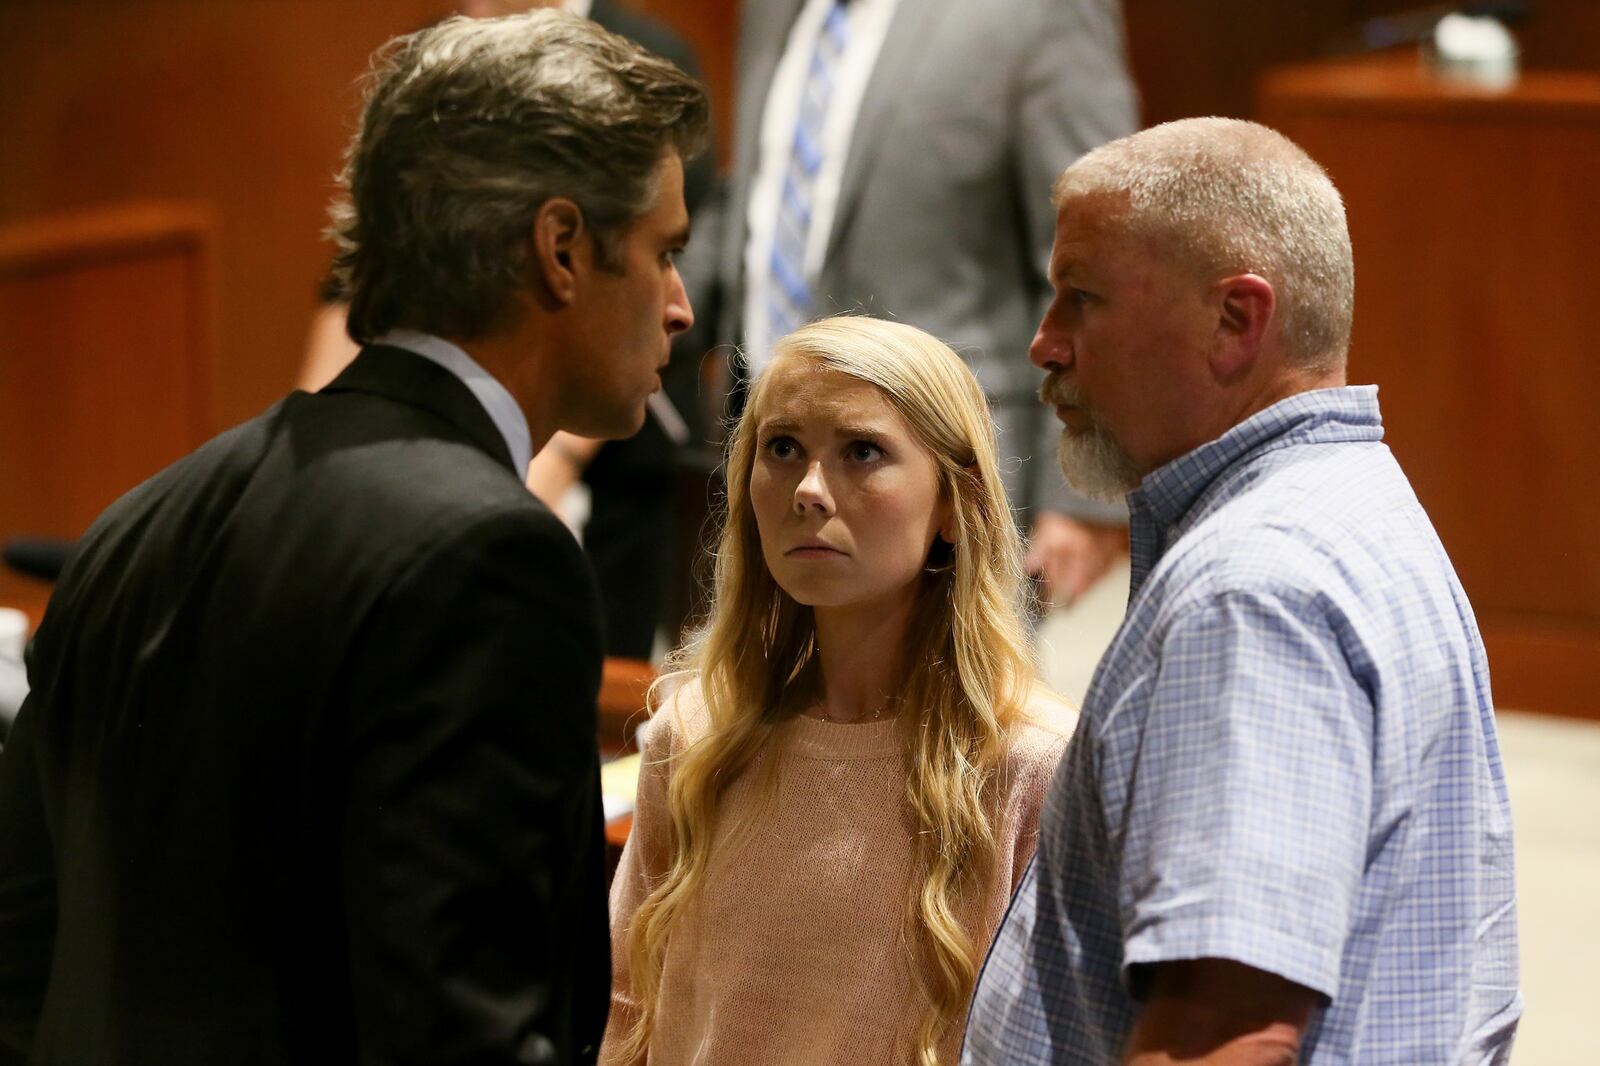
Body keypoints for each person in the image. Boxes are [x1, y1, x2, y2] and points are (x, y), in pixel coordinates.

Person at [0, 12, 707, 1065]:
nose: (683, 307)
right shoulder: (493, 558)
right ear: (561, 250)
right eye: (663, 252)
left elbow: (19, 944)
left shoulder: (138, 518)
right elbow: (459, 1030)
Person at [962, 118, 1522, 1064]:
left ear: (1236, 320)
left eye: (1080, 300)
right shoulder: (1357, 505)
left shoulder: (1251, 593)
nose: (1044, 347)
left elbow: (1226, 1034)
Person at [601, 316, 1078, 1066]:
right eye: (782, 448)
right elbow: (626, 1009)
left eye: (862, 452)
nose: (811, 491)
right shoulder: (696, 736)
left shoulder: (1032, 766)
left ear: (954, 502)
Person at [701, 0, 1139, 607]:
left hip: (944, 477)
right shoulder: (773, 11)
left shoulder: (1040, 13)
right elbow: (756, 198)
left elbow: (1097, 254)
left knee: (940, 700)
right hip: (762, 454)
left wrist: (1085, 489)